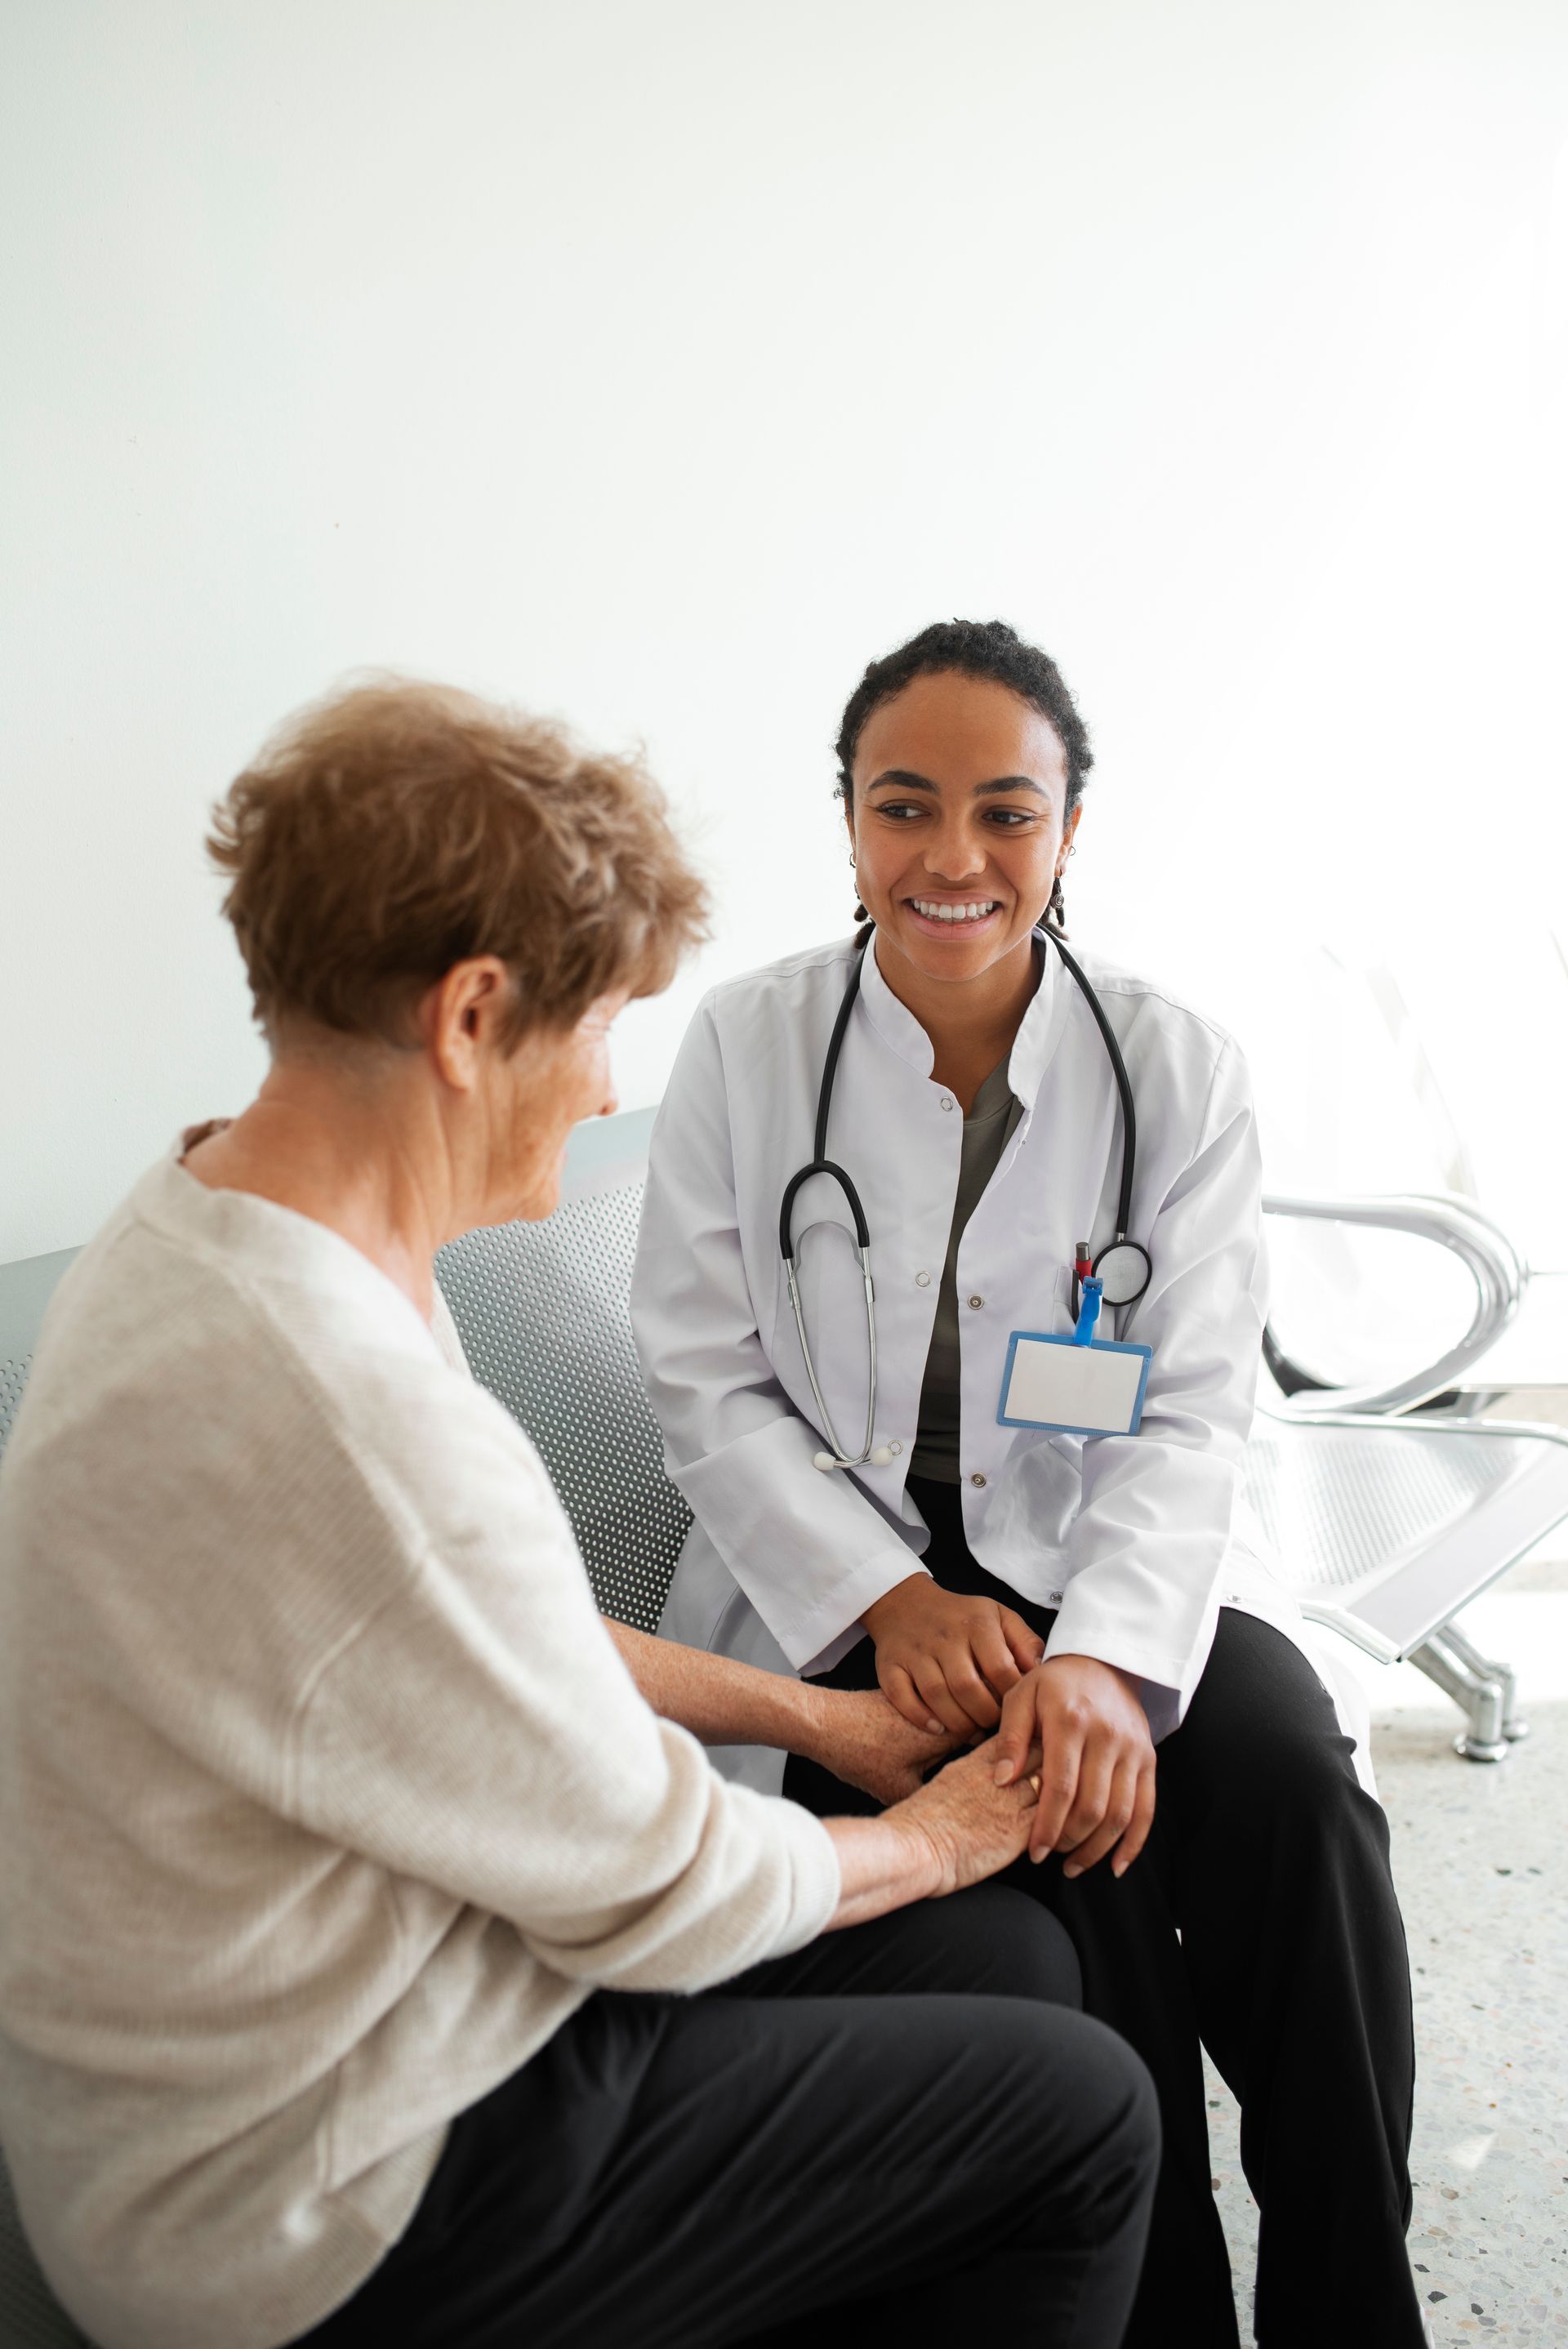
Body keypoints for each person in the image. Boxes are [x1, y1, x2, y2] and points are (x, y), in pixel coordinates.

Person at [0, 680, 1159, 2349]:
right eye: (602, 1020)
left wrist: (812, 1716)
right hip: (312, 2200)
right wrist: (940, 1832)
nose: (611, 1089)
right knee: (1079, 2116)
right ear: (473, 1018)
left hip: (370, 2020)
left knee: (1010, 1971)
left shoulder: (225, 1218)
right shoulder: (341, 1397)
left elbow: (471, 1628)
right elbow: (666, 1882)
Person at [631, 620, 1425, 2349]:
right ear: (845, 821)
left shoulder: (1173, 1068)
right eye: (904, 806)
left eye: (1006, 810)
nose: (953, 857)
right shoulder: (747, 1050)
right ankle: (1165, 2316)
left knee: (1296, 1791)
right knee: (1072, 1848)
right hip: (841, 1581)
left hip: (1114, 1560)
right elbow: (706, 1376)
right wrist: (889, 1596)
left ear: (1071, 826)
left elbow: (1195, 1409)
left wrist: (1108, 1662)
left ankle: (1356, 2306)